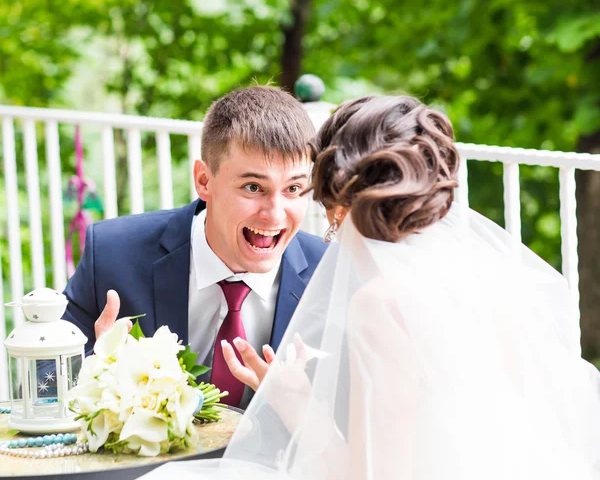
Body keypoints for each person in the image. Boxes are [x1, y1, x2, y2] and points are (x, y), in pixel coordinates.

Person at [143, 94, 600, 479]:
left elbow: (365, 473)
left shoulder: (382, 303)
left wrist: (294, 399)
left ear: (337, 199)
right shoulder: (491, 280)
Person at [63, 85, 328, 408]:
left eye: (294, 188)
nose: (274, 213)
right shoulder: (112, 254)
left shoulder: (329, 274)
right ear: (204, 180)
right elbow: (46, 380)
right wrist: (100, 371)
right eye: (254, 187)